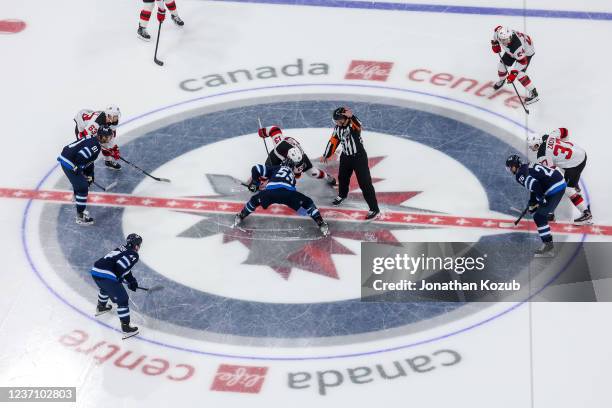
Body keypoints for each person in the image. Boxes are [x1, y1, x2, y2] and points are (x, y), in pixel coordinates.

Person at [233, 148, 330, 236]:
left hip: (270, 193)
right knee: (307, 203)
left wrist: (255, 183)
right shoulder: (293, 170)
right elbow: (295, 175)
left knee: (254, 200)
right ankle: (320, 222)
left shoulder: (276, 168)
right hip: (289, 196)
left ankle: (241, 216)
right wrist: (300, 209)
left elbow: (256, 169)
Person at [322, 107, 380, 220]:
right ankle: (342, 195)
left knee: (365, 183)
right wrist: (327, 153)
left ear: (345, 118)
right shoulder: (338, 128)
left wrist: (352, 116)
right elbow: (333, 140)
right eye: (335, 121)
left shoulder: (353, 125)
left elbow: (358, 124)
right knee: (342, 178)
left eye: (338, 120)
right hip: (346, 157)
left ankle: (374, 208)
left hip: (359, 157)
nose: (337, 123)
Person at [527, 128, 592, 225]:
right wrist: (563, 144)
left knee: (567, 189)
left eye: (532, 147)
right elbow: (564, 131)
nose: (532, 149)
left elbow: (552, 174)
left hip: (575, 164)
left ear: (536, 144)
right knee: (560, 165)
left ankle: (586, 214)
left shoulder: (542, 155)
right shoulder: (548, 136)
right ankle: (574, 183)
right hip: (580, 152)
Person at [506, 154, 566, 257]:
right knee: (539, 208)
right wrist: (532, 201)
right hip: (557, 181)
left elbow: (536, 186)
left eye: (510, 167)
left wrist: (540, 200)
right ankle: (549, 214)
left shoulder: (520, 175)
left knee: (539, 217)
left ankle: (548, 246)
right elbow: (535, 183)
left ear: (514, 166)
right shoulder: (526, 166)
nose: (510, 170)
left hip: (555, 188)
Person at [57, 126, 114, 225]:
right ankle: (80, 216)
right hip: (69, 162)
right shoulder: (95, 146)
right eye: (108, 137)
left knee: (83, 181)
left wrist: (90, 174)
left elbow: (89, 161)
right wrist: (80, 170)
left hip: (68, 157)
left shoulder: (93, 139)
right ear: (101, 136)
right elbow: (81, 158)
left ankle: (76, 195)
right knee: (83, 188)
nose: (109, 139)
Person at [91, 234, 143, 339]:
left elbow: (123, 267)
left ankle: (101, 307)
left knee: (105, 289)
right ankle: (126, 328)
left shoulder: (122, 248)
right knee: (123, 300)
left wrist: (131, 280)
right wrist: (119, 278)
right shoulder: (133, 254)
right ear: (136, 245)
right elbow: (120, 268)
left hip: (95, 271)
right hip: (107, 274)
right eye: (139, 244)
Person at [257, 125, 336, 186]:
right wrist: (263, 132)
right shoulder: (279, 145)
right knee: (268, 168)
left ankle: (327, 177)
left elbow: (296, 176)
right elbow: (274, 129)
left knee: (313, 173)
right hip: (279, 153)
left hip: (298, 152)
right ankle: (260, 181)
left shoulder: (300, 162)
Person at [491, 26, 538, 105]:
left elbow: (523, 62)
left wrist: (514, 73)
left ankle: (534, 93)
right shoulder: (498, 34)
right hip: (511, 51)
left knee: (520, 74)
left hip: (526, 52)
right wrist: (495, 43)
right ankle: (502, 80)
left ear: (510, 36)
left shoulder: (517, 46)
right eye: (502, 40)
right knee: (501, 68)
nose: (504, 42)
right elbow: (496, 31)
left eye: (506, 39)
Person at [74, 106, 122, 170]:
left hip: (97, 126)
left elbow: (110, 138)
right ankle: (78, 165)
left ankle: (108, 161)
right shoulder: (96, 123)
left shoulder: (113, 121)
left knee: (105, 141)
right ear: (108, 116)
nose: (115, 119)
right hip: (83, 127)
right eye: (114, 117)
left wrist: (113, 148)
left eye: (116, 117)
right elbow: (83, 136)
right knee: (86, 147)